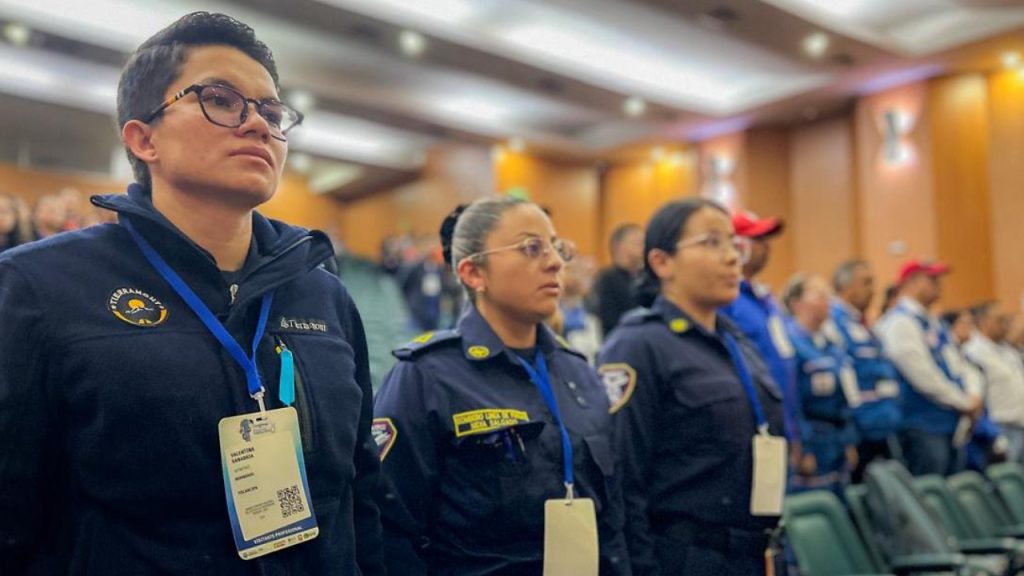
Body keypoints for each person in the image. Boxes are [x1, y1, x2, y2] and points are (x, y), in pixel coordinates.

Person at [0, 12, 383, 576]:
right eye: (222, 100)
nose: (258, 125)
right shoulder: (39, 288)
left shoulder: (323, 295)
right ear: (143, 138)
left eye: (272, 112)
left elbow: (362, 495)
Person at [374, 197, 629, 575]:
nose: (556, 262)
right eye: (531, 248)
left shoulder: (579, 374)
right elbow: (390, 530)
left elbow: (611, 520)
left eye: (557, 248)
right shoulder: (427, 377)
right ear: (474, 273)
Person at [598, 198, 786, 576]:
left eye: (734, 243)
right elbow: (620, 483)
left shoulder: (735, 342)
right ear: (661, 262)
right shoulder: (638, 345)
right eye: (712, 242)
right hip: (687, 557)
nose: (733, 257)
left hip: (755, 553)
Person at [875, 260, 983, 476]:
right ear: (912, 283)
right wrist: (962, 402)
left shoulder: (933, 323)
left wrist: (972, 396)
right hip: (921, 424)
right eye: (931, 279)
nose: (938, 284)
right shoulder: (899, 323)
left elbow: (958, 363)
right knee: (930, 494)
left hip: (948, 423)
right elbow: (921, 374)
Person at [720, 211, 802, 448]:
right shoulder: (728, 300)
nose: (767, 248)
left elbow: (783, 362)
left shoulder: (765, 300)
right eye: (759, 241)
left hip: (782, 420)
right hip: (754, 428)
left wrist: (794, 430)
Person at [781, 274, 858, 498]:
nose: (827, 302)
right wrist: (801, 447)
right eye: (819, 295)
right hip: (812, 440)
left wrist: (849, 441)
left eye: (828, 295)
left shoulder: (832, 345)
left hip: (837, 439)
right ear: (796, 304)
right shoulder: (789, 344)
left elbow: (846, 398)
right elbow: (791, 402)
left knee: (840, 504)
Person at [827, 260, 901, 482]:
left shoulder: (862, 324)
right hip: (861, 429)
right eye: (866, 283)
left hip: (882, 425)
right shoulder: (834, 322)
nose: (873, 290)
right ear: (846, 286)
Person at [964, 302, 1024, 463]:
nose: (1006, 324)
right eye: (1000, 319)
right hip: (999, 427)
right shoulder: (973, 351)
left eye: (1007, 319)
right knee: (1006, 479)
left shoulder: (1008, 350)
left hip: (1019, 424)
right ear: (984, 322)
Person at [592, 223, 644, 336]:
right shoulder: (607, 279)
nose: (644, 247)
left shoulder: (644, 278)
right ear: (620, 246)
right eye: (638, 242)